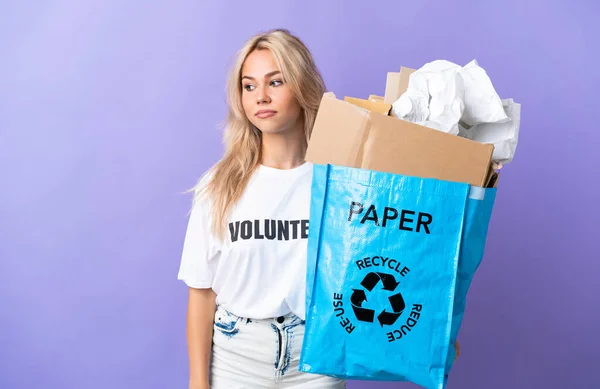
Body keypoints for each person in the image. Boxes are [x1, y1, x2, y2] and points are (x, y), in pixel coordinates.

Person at [177, 28, 346, 389]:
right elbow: (202, 293)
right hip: (235, 357)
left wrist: (429, 337)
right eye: (249, 86)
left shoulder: (340, 183)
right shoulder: (218, 185)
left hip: (314, 357)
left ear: (302, 88)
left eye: (276, 82)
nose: (261, 97)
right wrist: (197, 381)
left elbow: (378, 263)